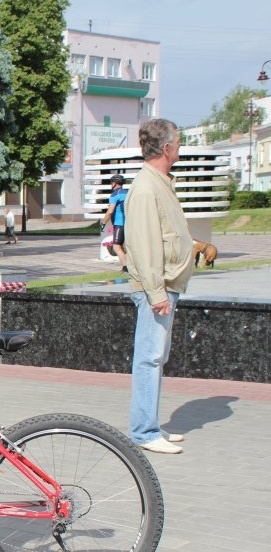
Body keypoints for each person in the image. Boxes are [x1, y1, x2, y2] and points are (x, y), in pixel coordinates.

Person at [124, 119, 193, 455]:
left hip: (164, 284)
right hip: (157, 287)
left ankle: (149, 424)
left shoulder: (159, 183)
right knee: (149, 359)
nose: (179, 147)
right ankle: (144, 432)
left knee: (155, 357)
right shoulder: (146, 187)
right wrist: (156, 293)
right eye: (177, 143)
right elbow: (144, 245)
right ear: (166, 148)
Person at [102, 174, 128, 271]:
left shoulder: (115, 194)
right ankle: (127, 266)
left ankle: (126, 268)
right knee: (123, 246)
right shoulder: (126, 193)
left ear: (114, 183)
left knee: (116, 246)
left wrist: (103, 223)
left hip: (119, 223)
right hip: (128, 223)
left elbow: (110, 211)